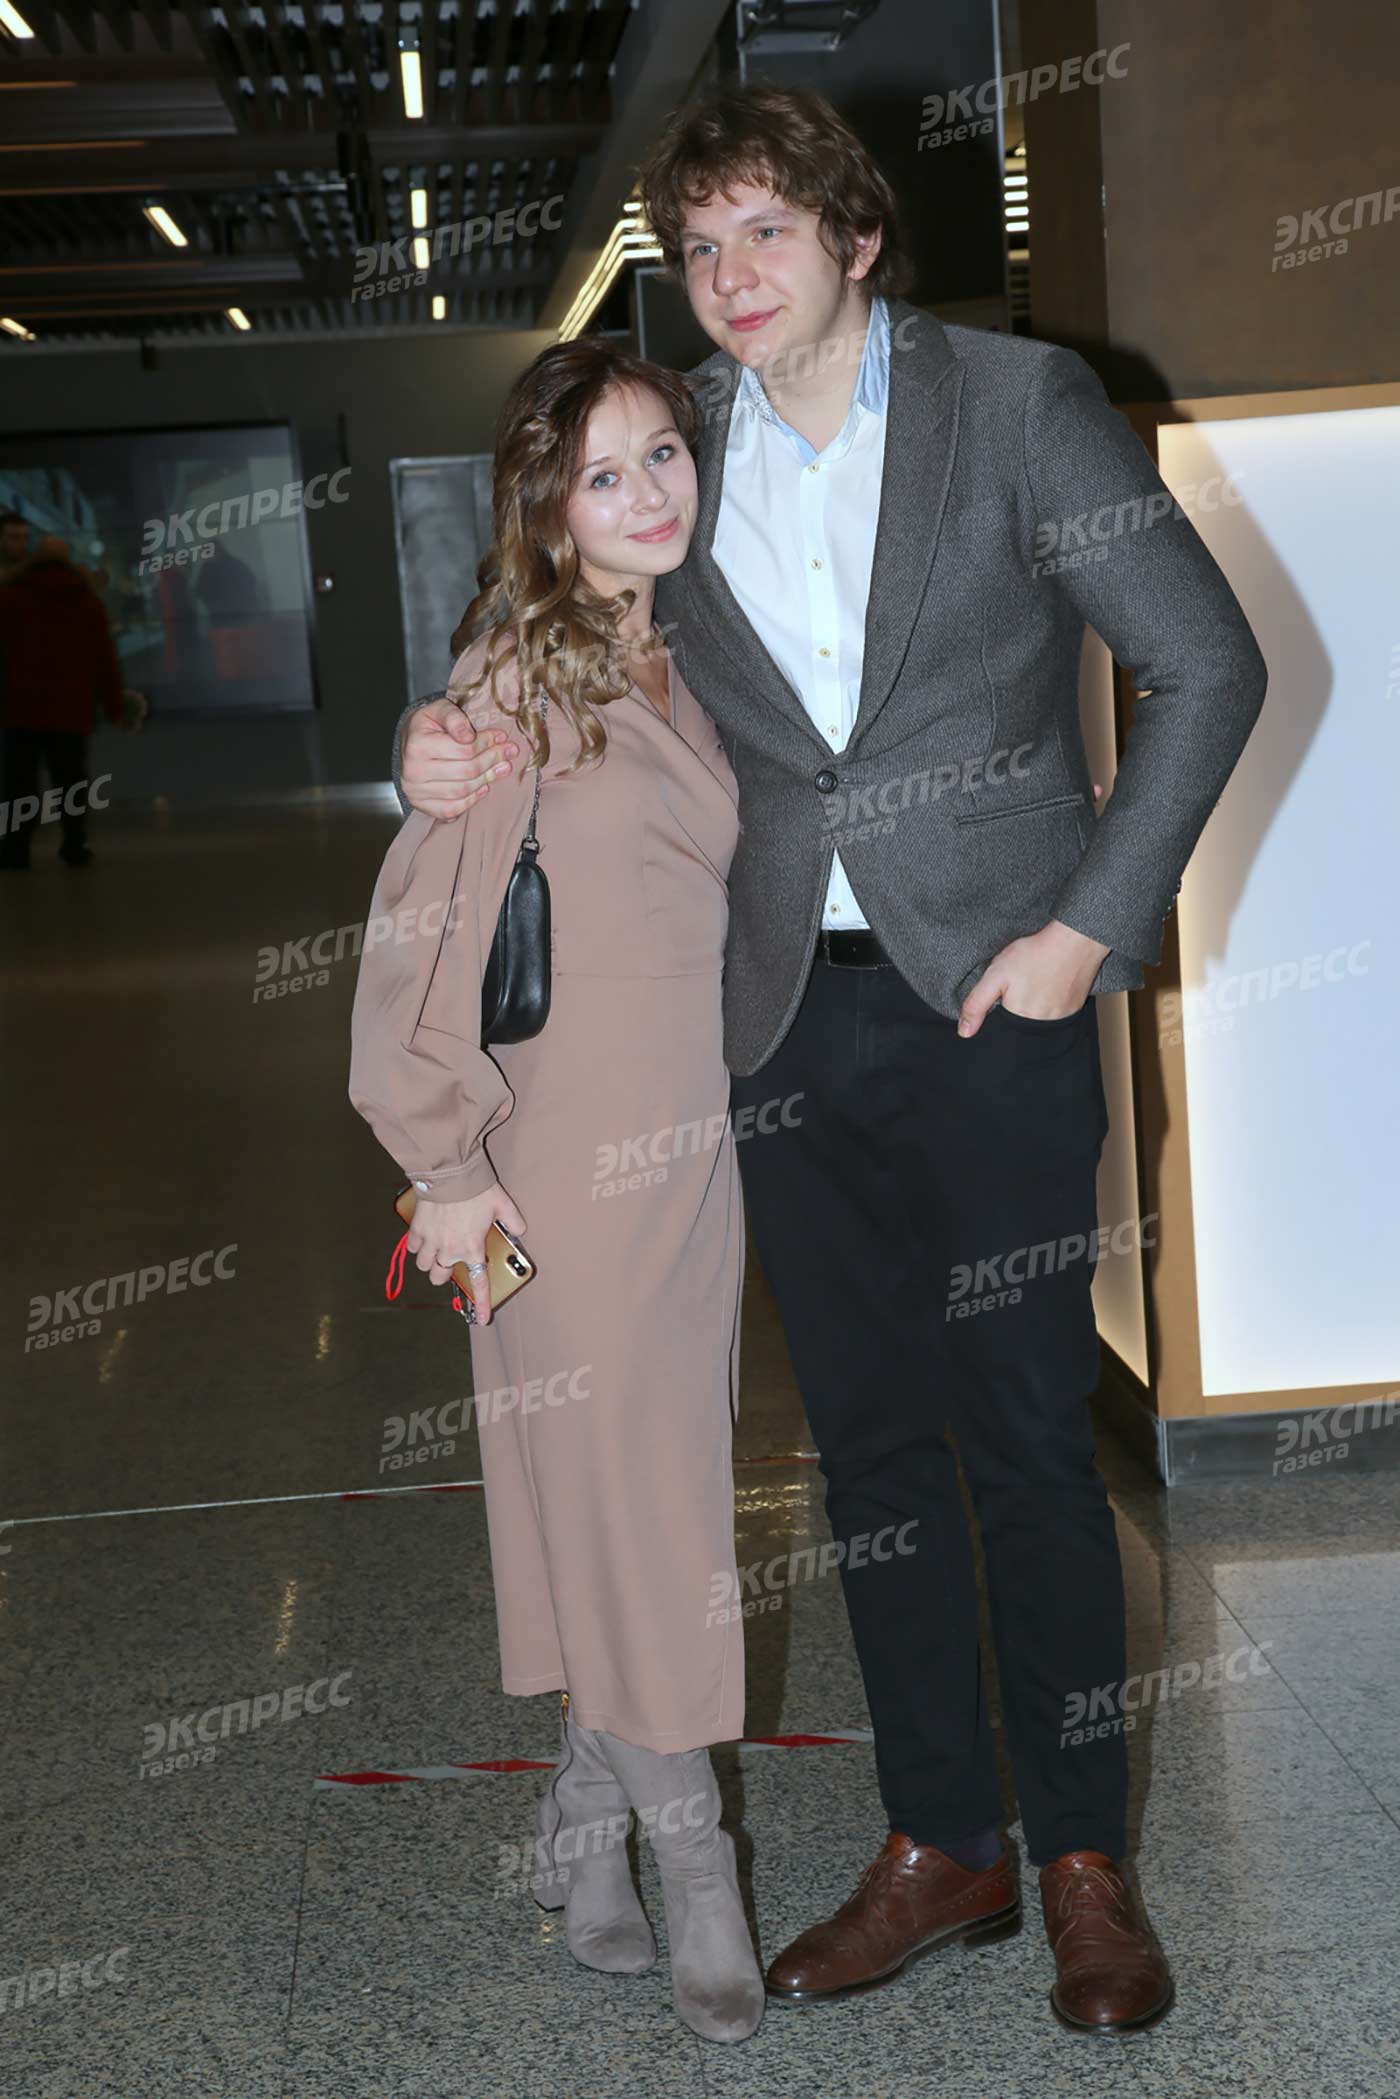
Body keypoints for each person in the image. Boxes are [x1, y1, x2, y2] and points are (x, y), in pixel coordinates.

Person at [392, 83, 1268, 2035]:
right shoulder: (681, 443)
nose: (728, 277)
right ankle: (939, 1834)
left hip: (995, 998)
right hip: (777, 1018)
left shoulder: (1017, 409)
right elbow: (557, 611)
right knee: (867, 1450)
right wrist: (428, 738)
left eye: (764, 234)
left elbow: (1209, 661)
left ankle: (1080, 1858)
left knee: (1029, 1439)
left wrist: (1084, 928)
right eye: (698, 247)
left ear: (856, 239)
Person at [348, 338, 765, 2045]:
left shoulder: (696, 646)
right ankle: (700, 1865)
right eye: (605, 472)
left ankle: (584, 1822)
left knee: (643, 1495)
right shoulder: (514, 679)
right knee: (629, 1505)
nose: (649, 492)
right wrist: (443, 1162)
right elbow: (417, 928)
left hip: (692, 1145)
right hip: (550, 1154)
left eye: (665, 453)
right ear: (547, 502)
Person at [0, 533, 129, 870]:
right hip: (71, 706)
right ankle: (74, 845)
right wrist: (113, 704)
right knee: (71, 781)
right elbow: (103, 658)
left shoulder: (9, 596)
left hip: (21, 706)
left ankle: (15, 849)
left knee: (18, 783)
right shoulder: (87, 601)